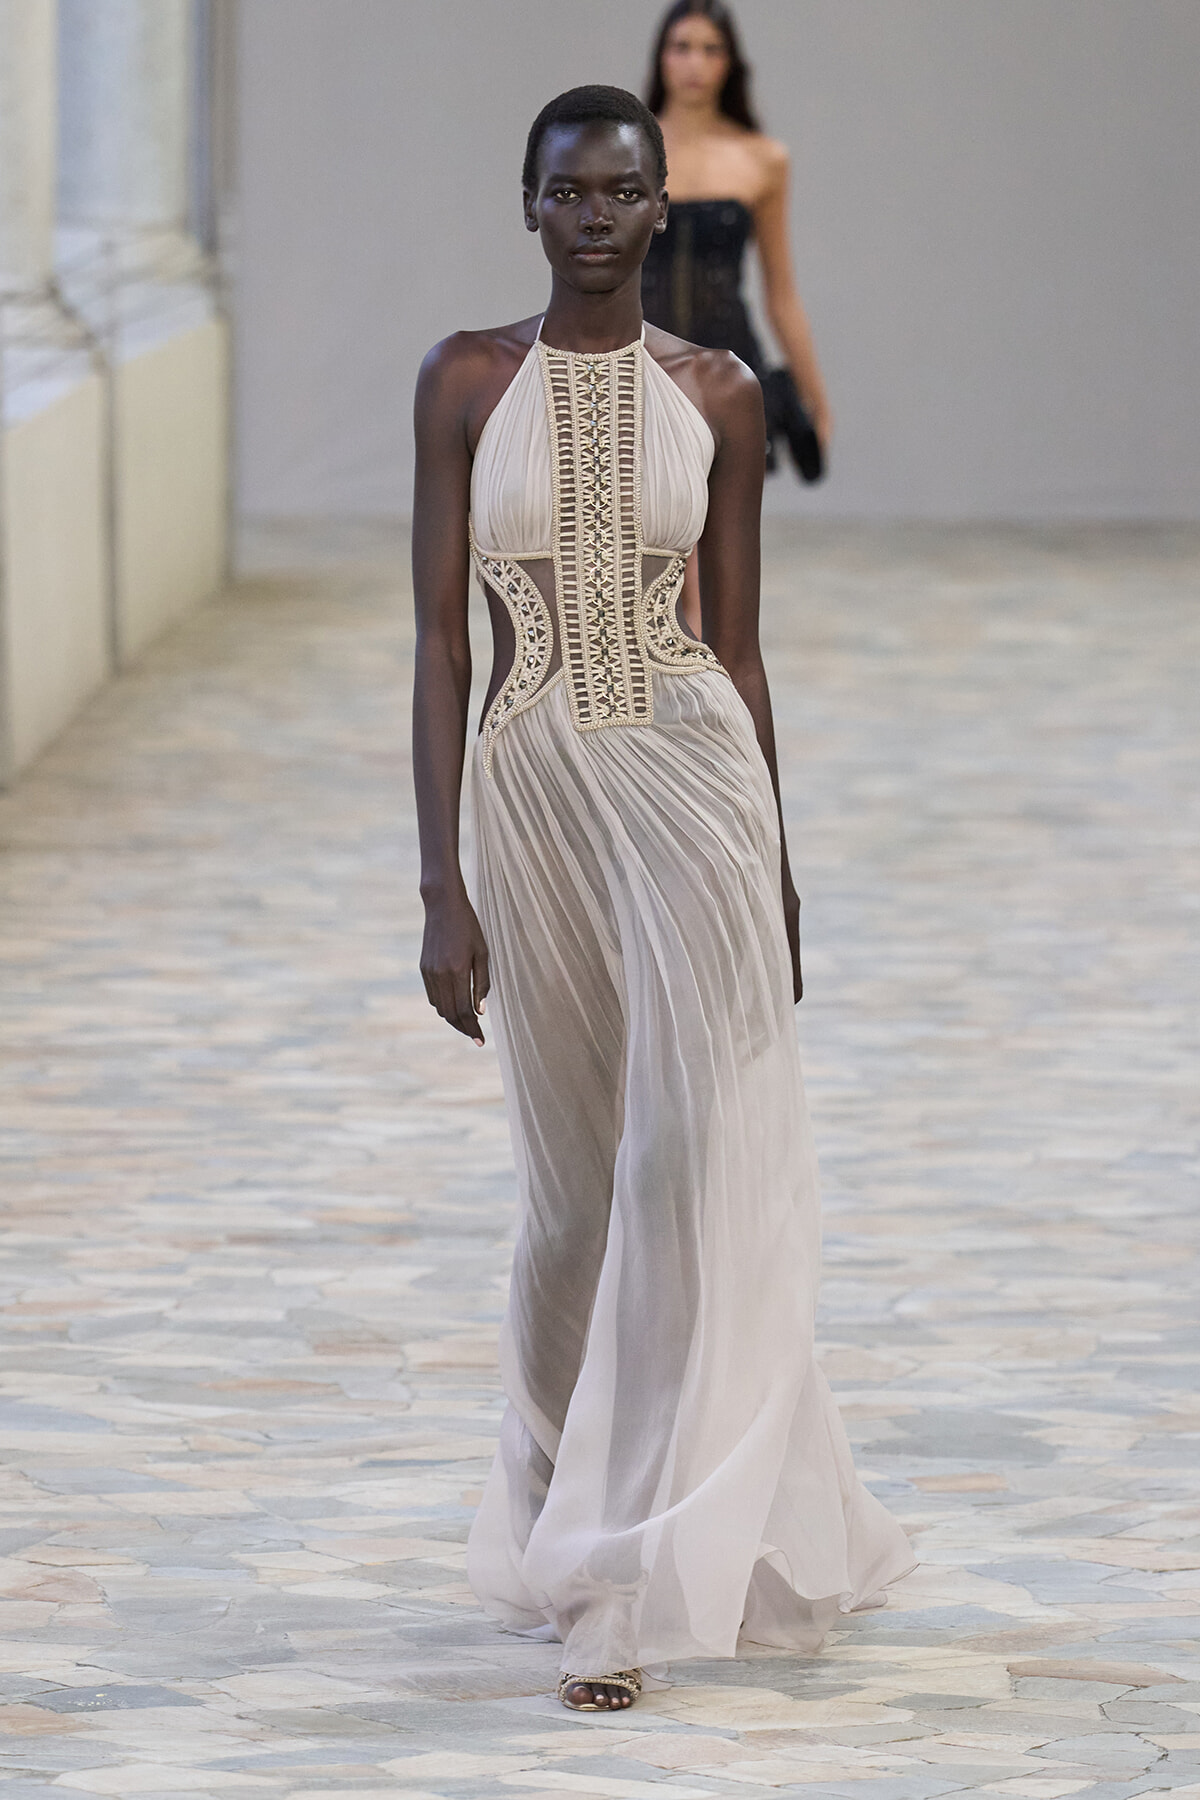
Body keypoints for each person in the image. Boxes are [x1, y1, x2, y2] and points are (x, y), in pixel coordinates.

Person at [411, 84, 912, 1714]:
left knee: (684, 1167)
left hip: (692, 788)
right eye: (572, 192)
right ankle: (569, 1515)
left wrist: (776, 867)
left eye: (627, 192)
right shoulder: (466, 381)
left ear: (659, 204)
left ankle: (615, 1580)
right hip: (532, 799)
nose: (601, 216)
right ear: (532, 205)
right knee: (568, 1201)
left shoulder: (723, 396)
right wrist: (439, 883)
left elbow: (744, 653)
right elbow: (436, 643)